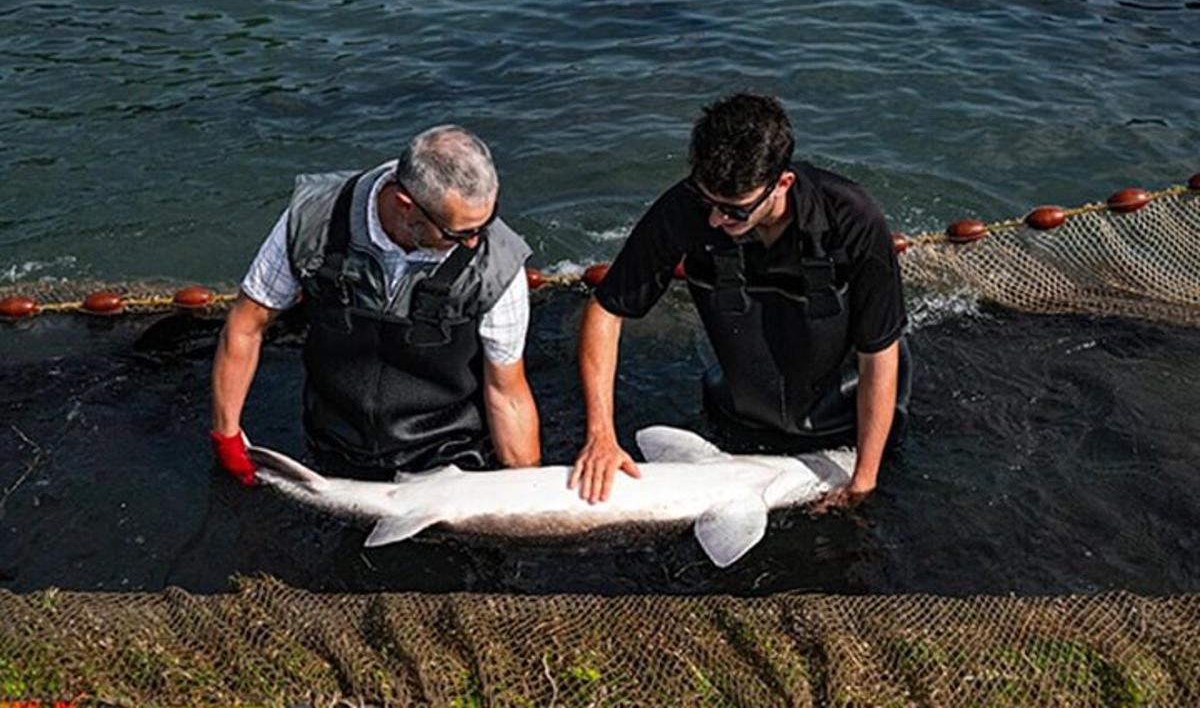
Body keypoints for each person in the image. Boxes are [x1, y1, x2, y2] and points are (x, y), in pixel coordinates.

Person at [569, 94, 910, 511]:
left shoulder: (852, 218)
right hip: (743, 412)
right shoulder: (684, 208)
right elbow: (606, 310)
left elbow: (880, 352)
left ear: (782, 184)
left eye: (733, 210)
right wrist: (601, 433)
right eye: (707, 201)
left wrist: (863, 481)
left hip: (845, 422)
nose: (714, 220)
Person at [210, 125, 541, 484]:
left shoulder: (499, 263)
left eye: (485, 222)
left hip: (448, 456)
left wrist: (526, 485)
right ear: (406, 206)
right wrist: (226, 435)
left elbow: (506, 390)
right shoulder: (314, 219)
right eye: (458, 234)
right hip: (332, 442)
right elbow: (247, 325)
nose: (476, 243)